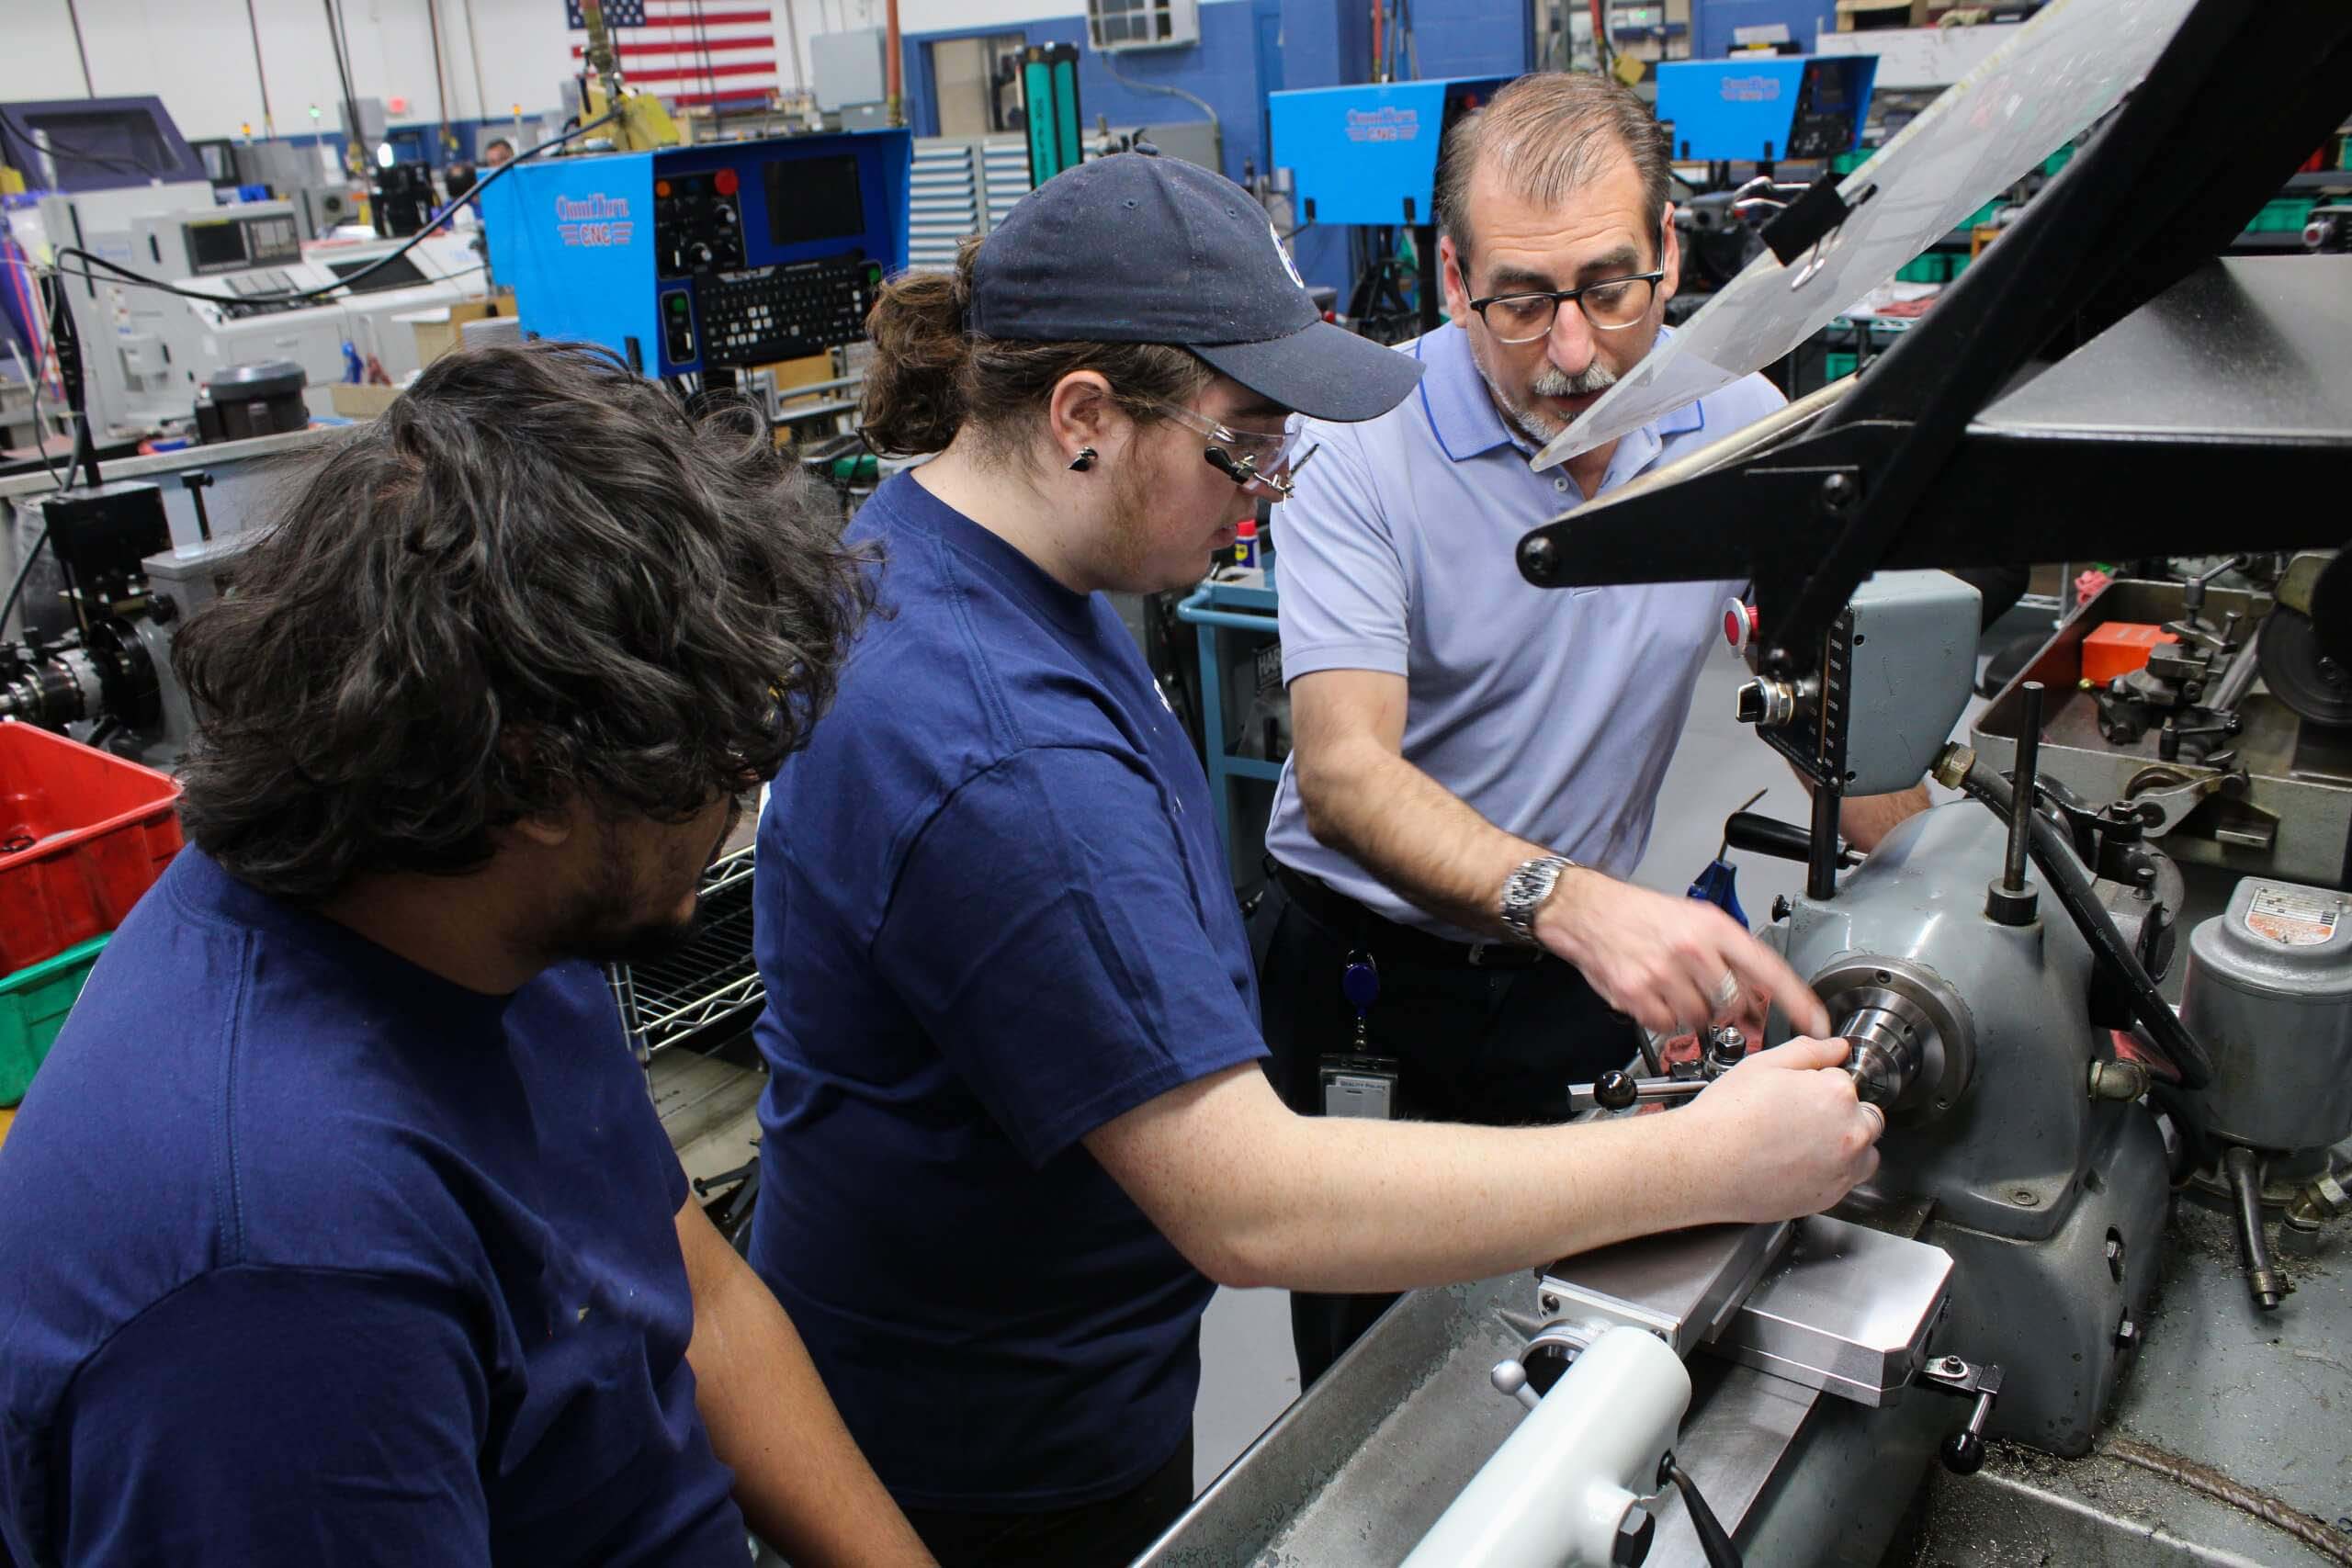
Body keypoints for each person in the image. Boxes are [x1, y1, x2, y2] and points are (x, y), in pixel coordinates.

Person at [746, 149, 1883, 1568]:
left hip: (1043, 1346)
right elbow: (1251, 1200)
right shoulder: (996, 747)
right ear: (1084, 415)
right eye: (1246, 443)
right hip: (988, 1447)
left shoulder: (998, 556)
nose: (1273, 491)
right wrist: (1699, 1161)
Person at [0, 343, 932, 1567]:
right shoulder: (279, 1276)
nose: (741, 799)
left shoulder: (464, 910)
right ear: (538, 779)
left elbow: (692, 1299)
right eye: (715, 763)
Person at [1254, 70, 1933, 1386]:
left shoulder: (1732, 427)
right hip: (1370, 986)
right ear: (1452, 279)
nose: (1573, 351)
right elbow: (1344, 772)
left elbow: (1823, 712)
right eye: (1521, 300)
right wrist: (1577, 903)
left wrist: (1938, 893)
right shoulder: (1360, 446)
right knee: (1372, 1378)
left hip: (1572, 984)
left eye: (1611, 290)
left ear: (1673, 254)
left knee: (1575, 1341)